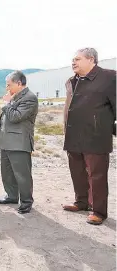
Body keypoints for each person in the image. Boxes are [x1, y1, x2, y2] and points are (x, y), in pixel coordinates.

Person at [62, 48, 116, 225]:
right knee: (77, 171)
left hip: (96, 136)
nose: (73, 62)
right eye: (72, 59)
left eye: (77, 59)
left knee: (97, 175)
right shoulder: (71, 81)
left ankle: (99, 211)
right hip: (73, 135)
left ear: (91, 59)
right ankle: (81, 202)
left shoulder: (109, 78)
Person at [0, 71, 38, 214]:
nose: (7, 88)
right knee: (7, 173)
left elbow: (16, 117)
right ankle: (12, 196)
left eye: (9, 85)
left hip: (19, 142)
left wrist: (7, 103)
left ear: (19, 83)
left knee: (22, 174)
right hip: (7, 141)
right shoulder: (15, 96)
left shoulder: (30, 98)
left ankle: (26, 202)